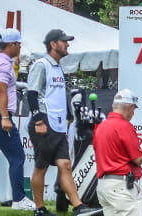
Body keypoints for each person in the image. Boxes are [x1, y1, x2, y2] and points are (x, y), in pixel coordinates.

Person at [27, 29, 100, 215]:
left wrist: (67, 116)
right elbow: (32, 94)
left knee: (65, 165)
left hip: (57, 125)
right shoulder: (41, 65)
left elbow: (57, 95)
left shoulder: (58, 67)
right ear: (53, 44)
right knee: (41, 167)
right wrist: (37, 120)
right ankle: (39, 209)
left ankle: (78, 206)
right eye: (64, 41)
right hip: (44, 122)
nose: (67, 44)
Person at [94, 89, 142, 216]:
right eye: (133, 110)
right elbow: (137, 159)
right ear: (130, 107)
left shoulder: (101, 126)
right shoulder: (125, 126)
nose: (133, 114)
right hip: (122, 186)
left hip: (104, 186)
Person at [0, 29, 33, 210]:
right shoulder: (2, 63)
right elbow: (1, 90)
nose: (20, 47)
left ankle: (18, 198)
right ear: (11, 45)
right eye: (18, 44)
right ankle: (18, 199)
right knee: (17, 156)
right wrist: (4, 117)